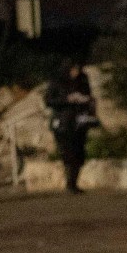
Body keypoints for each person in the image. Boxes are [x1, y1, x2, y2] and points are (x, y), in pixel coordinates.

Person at [43, 58, 98, 194]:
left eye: (78, 69)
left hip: (80, 121)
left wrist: (85, 99)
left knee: (79, 152)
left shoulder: (83, 79)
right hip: (63, 122)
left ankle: (73, 183)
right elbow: (49, 100)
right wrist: (67, 99)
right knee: (68, 152)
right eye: (73, 69)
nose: (76, 72)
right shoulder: (57, 80)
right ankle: (70, 184)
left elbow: (88, 94)